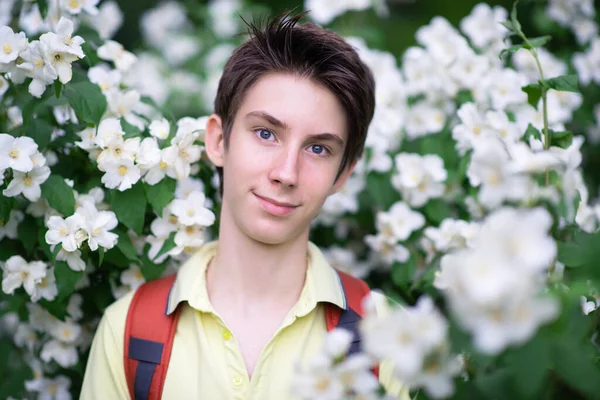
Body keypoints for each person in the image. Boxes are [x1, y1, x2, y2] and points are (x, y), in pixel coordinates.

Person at [81, 11, 409, 400]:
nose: (286, 173)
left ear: (343, 174)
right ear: (219, 141)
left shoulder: (386, 334)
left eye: (318, 148)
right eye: (266, 133)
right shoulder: (129, 329)